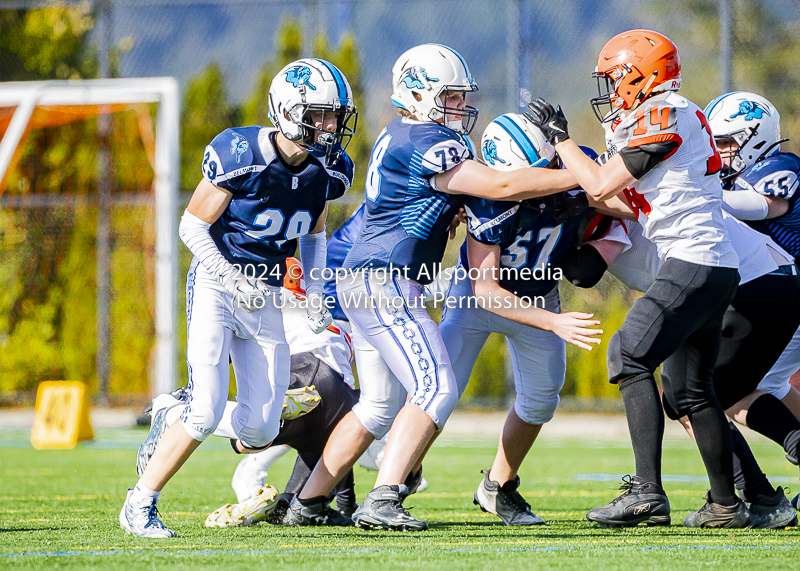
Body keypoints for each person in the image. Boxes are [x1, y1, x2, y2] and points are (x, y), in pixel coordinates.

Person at [284, 43, 582, 531]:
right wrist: (580, 175)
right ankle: (382, 498)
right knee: (436, 387)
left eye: (462, 97)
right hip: (385, 281)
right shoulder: (427, 139)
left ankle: (308, 501)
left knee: (379, 405)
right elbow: (502, 187)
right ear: (420, 94)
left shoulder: (401, 134)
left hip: (366, 279)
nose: (461, 107)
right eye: (451, 97)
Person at [120, 58, 356, 538]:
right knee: (205, 410)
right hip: (216, 283)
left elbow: (314, 234)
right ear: (290, 112)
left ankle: (171, 412)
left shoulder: (326, 168)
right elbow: (192, 225)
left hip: (266, 293)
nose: (332, 126)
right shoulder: (240, 152)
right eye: (323, 114)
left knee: (261, 430)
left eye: (337, 115)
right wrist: (230, 278)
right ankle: (139, 503)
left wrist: (313, 291)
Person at [527, 29, 750, 527]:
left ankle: (647, 492)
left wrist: (562, 141)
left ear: (640, 73)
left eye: (615, 77)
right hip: (711, 265)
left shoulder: (666, 111)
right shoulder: (659, 117)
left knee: (627, 354)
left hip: (693, 260)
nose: (610, 89)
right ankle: (727, 505)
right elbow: (624, 201)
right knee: (691, 391)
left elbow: (605, 182)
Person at [570, 212, 800, 529]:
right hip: (770, 278)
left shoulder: (606, 191)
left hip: (738, 279)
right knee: (699, 396)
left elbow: (585, 271)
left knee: (659, 375)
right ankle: (760, 499)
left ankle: (649, 491)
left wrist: (552, 237)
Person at [439, 113, 604, 525]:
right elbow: (486, 290)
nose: (542, 181)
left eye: (546, 169)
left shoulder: (573, 165)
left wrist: (588, 194)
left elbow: (626, 203)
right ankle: (396, 482)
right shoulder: (488, 196)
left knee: (542, 398)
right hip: (478, 298)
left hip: (540, 290)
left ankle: (497, 486)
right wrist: (555, 322)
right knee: (436, 393)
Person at [706, 91, 800, 421]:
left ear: (754, 139)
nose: (717, 152)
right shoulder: (734, 180)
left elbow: (762, 206)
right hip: (784, 294)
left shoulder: (780, 166)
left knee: (732, 391)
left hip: (789, 292)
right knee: (755, 387)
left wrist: (699, 191)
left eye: (725, 143)